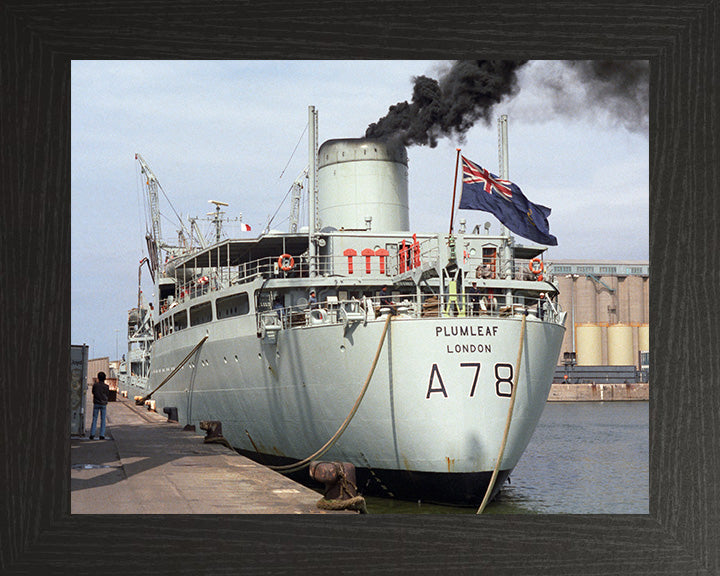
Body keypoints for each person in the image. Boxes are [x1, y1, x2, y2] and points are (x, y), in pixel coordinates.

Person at [89, 371, 110, 440]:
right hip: (103, 404)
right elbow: (107, 394)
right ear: (105, 378)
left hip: (96, 403)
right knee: (103, 419)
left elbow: (93, 392)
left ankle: (92, 434)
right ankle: (102, 435)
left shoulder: (95, 385)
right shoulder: (106, 386)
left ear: (98, 378)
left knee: (94, 419)